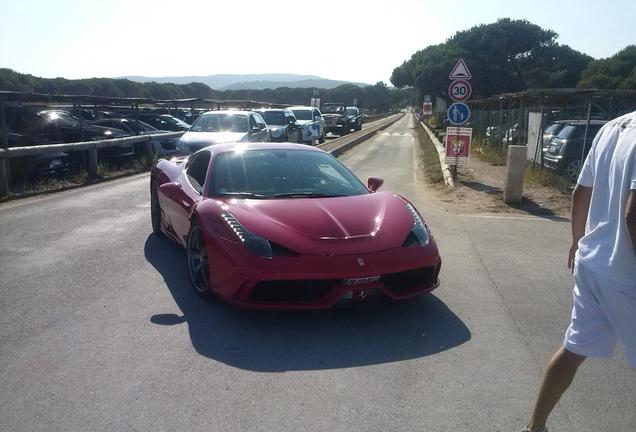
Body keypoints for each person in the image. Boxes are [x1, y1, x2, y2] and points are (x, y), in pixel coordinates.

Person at [523, 112, 636, 432]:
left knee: (574, 348)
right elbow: (633, 216)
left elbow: (579, 193)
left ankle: (535, 428)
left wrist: (576, 242)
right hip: (627, 272)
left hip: (592, 262)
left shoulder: (613, 127)